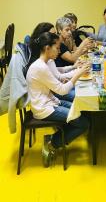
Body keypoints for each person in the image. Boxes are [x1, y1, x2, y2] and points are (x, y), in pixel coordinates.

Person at [26, 32, 90, 167]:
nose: (59, 50)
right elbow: (61, 90)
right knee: (83, 123)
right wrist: (78, 73)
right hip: (44, 108)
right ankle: (52, 143)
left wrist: (76, 69)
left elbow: (59, 81)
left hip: (50, 101)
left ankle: (56, 138)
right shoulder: (40, 67)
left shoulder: (45, 62)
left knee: (79, 109)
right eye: (57, 47)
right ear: (47, 48)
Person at [27, 22, 77, 102]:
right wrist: (78, 72)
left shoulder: (45, 56)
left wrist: (74, 68)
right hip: (50, 98)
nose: (56, 36)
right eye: (52, 34)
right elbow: (59, 83)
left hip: (53, 94)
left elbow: (57, 73)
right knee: (79, 95)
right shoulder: (41, 62)